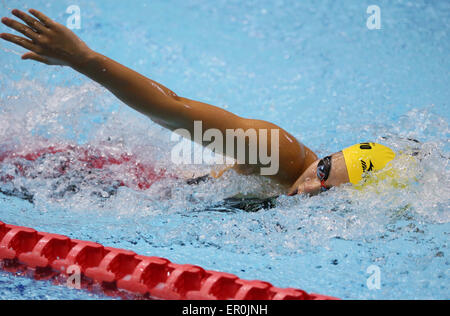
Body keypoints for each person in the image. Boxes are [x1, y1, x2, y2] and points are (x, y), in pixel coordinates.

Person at [0, 9, 396, 197]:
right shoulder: (275, 152)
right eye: (322, 169)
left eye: (326, 191)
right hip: (127, 185)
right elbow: (171, 108)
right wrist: (83, 60)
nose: (311, 186)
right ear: (324, 156)